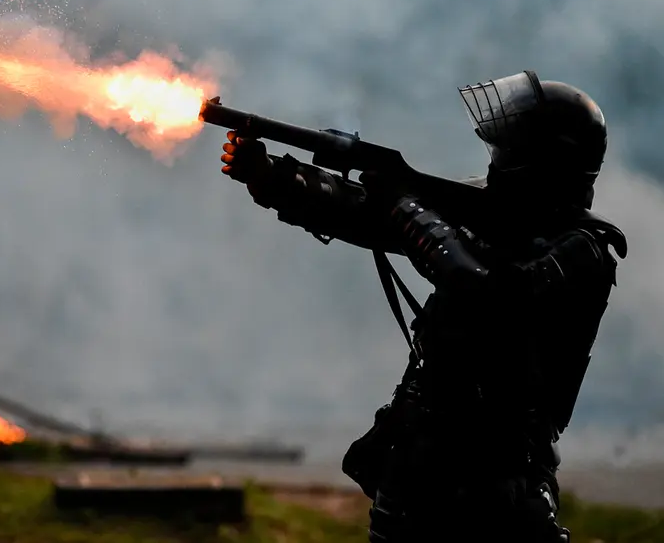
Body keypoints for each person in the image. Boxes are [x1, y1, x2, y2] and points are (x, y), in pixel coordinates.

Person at [219, 70, 627, 542]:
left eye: (514, 145)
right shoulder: (491, 211)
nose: (498, 157)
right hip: (417, 465)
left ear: (544, 159)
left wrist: (405, 206)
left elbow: (486, 289)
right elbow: (363, 213)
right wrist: (274, 178)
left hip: (495, 478)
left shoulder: (585, 250)